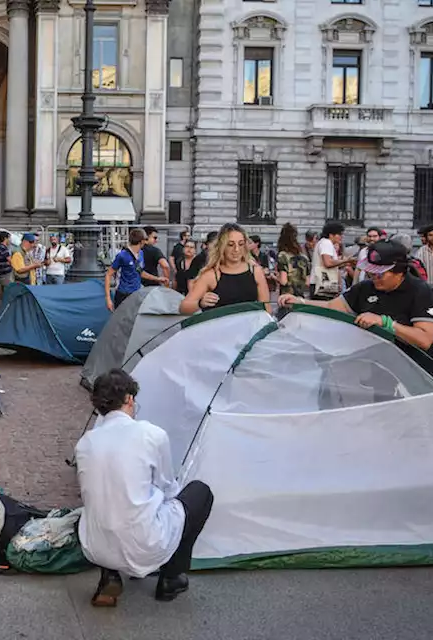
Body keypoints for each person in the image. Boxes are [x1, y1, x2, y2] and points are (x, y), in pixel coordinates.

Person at [76, 369, 213, 607]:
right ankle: (171, 577)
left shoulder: (85, 443)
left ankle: (109, 575)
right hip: (144, 544)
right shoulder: (152, 434)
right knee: (200, 493)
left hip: (96, 546)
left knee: (103, 501)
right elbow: (168, 488)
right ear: (129, 399)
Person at [279, 241, 433, 375]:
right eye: (371, 273)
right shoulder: (365, 288)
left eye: (379, 274)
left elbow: (424, 339)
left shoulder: (422, 292)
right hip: (378, 374)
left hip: (416, 376)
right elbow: (333, 307)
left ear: (399, 271)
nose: (374, 278)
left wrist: (386, 323)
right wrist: (300, 302)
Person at [180, 223, 270, 314]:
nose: (236, 249)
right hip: (219, 326)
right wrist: (200, 303)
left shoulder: (255, 271)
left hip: (250, 326)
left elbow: (266, 307)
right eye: (230, 245)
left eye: (241, 244)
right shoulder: (211, 275)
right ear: (222, 246)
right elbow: (184, 307)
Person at [311, 222, 353, 300]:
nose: (342, 237)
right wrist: (345, 260)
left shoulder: (323, 243)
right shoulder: (326, 243)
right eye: (339, 234)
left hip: (324, 283)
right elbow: (328, 263)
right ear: (331, 235)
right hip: (322, 284)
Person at [105, 229, 146, 311]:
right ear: (141, 241)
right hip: (123, 293)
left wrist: (157, 278)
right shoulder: (122, 255)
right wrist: (108, 298)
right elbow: (108, 274)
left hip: (136, 293)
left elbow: (140, 272)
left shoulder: (141, 253)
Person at [275, 223, 309, 297]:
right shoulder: (304, 257)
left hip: (287, 297)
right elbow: (307, 282)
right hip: (300, 297)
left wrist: (275, 277)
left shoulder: (283, 256)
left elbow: (283, 281)